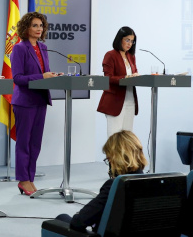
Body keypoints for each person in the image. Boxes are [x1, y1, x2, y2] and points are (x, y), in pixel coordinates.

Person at [55, 130, 147, 232]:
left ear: (115, 159)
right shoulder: (152, 183)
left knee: (61, 218)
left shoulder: (115, 186)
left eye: (108, 159)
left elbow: (78, 223)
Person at [11, 12, 60, 196]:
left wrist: (51, 76)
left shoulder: (43, 48)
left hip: (40, 99)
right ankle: (23, 179)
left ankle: (30, 177)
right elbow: (17, 78)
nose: (39, 29)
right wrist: (42, 76)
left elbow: (44, 73)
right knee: (24, 142)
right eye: (35, 25)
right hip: (24, 101)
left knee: (35, 143)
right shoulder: (19, 48)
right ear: (26, 28)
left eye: (41, 26)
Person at [97, 26, 139, 137]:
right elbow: (108, 77)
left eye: (132, 41)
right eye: (127, 40)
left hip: (130, 101)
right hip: (115, 101)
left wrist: (136, 77)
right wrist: (125, 77)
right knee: (114, 139)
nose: (130, 43)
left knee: (127, 140)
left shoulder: (131, 57)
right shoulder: (110, 55)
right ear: (120, 39)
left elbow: (134, 73)